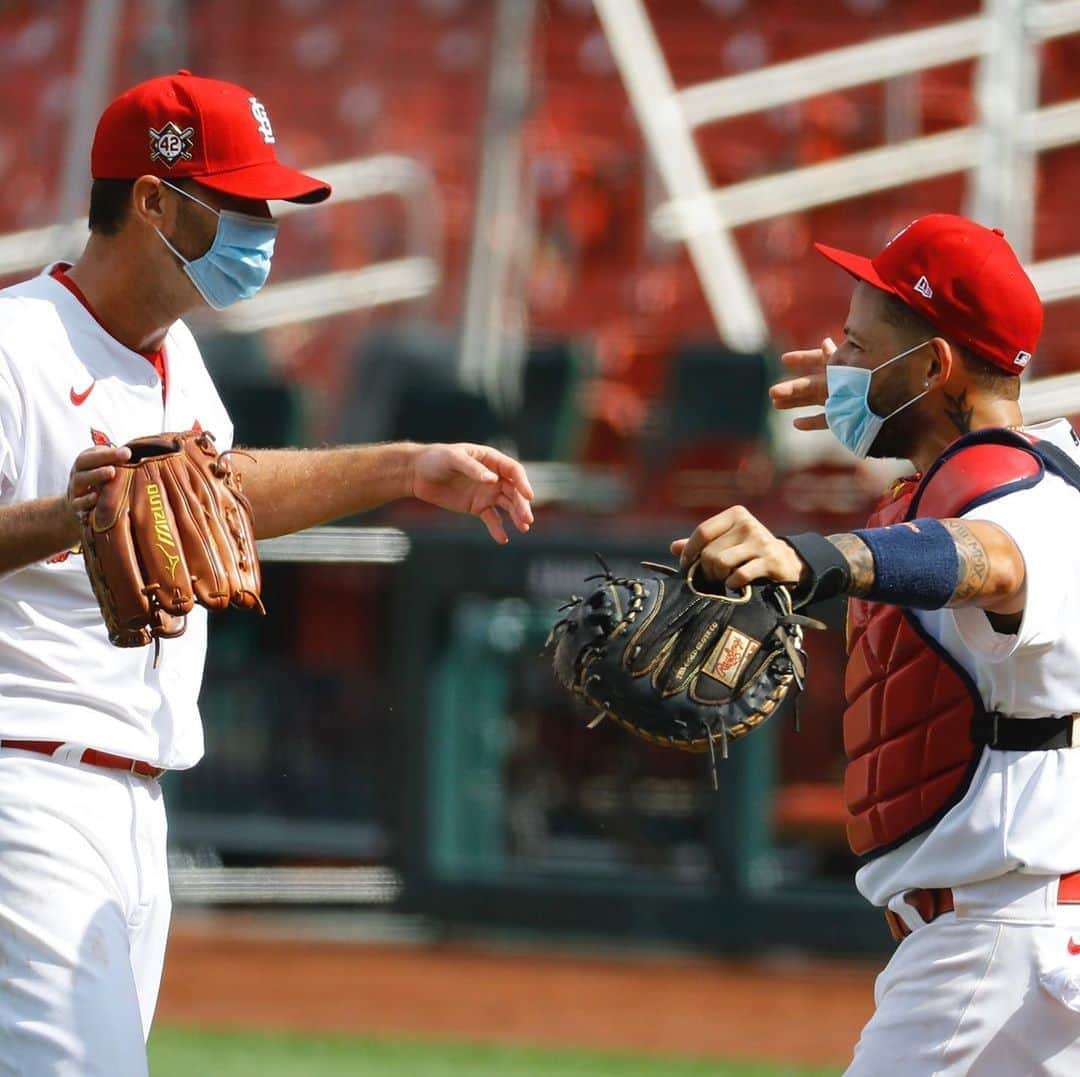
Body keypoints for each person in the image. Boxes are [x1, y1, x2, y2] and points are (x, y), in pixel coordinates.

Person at [0, 70, 534, 1075]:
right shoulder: (13, 345)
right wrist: (59, 518)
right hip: (27, 778)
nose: (263, 226)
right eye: (238, 202)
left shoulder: (178, 359)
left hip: (130, 798)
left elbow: (229, 487)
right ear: (154, 199)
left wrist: (405, 468)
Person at [674, 214, 1080, 1075]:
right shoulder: (1011, 462)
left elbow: (987, 557)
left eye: (861, 347)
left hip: (995, 944)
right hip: (1009, 931)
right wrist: (877, 385)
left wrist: (811, 559)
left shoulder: (1031, 505)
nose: (841, 361)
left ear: (931, 367)